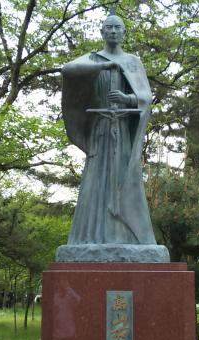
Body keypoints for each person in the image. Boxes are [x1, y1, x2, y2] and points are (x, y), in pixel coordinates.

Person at [60, 11, 158, 246]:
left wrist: (127, 98)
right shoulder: (93, 59)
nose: (113, 31)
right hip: (100, 129)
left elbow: (146, 97)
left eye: (117, 27)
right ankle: (91, 236)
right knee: (96, 181)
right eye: (109, 27)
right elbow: (68, 69)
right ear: (102, 32)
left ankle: (128, 236)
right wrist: (104, 67)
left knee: (123, 179)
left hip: (122, 130)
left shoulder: (133, 61)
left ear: (124, 32)